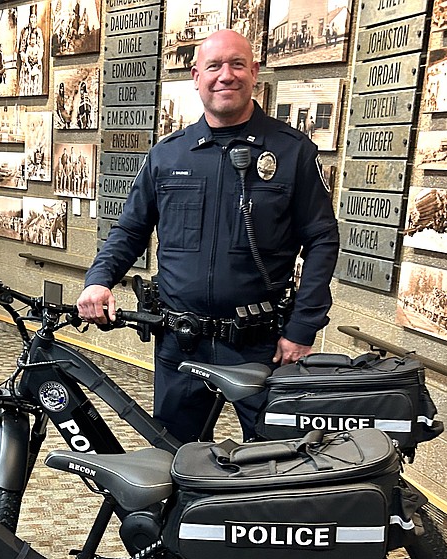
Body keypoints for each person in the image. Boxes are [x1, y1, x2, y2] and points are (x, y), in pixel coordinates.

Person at [77, 29, 339, 442]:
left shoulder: (292, 152)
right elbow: (130, 229)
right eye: (214, 66)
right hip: (181, 341)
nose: (226, 75)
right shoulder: (169, 153)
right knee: (177, 458)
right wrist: (98, 281)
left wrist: (303, 328)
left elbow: (322, 241)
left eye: (237, 64)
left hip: (262, 343)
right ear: (196, 76)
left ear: (254, 72)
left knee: (279, 460)